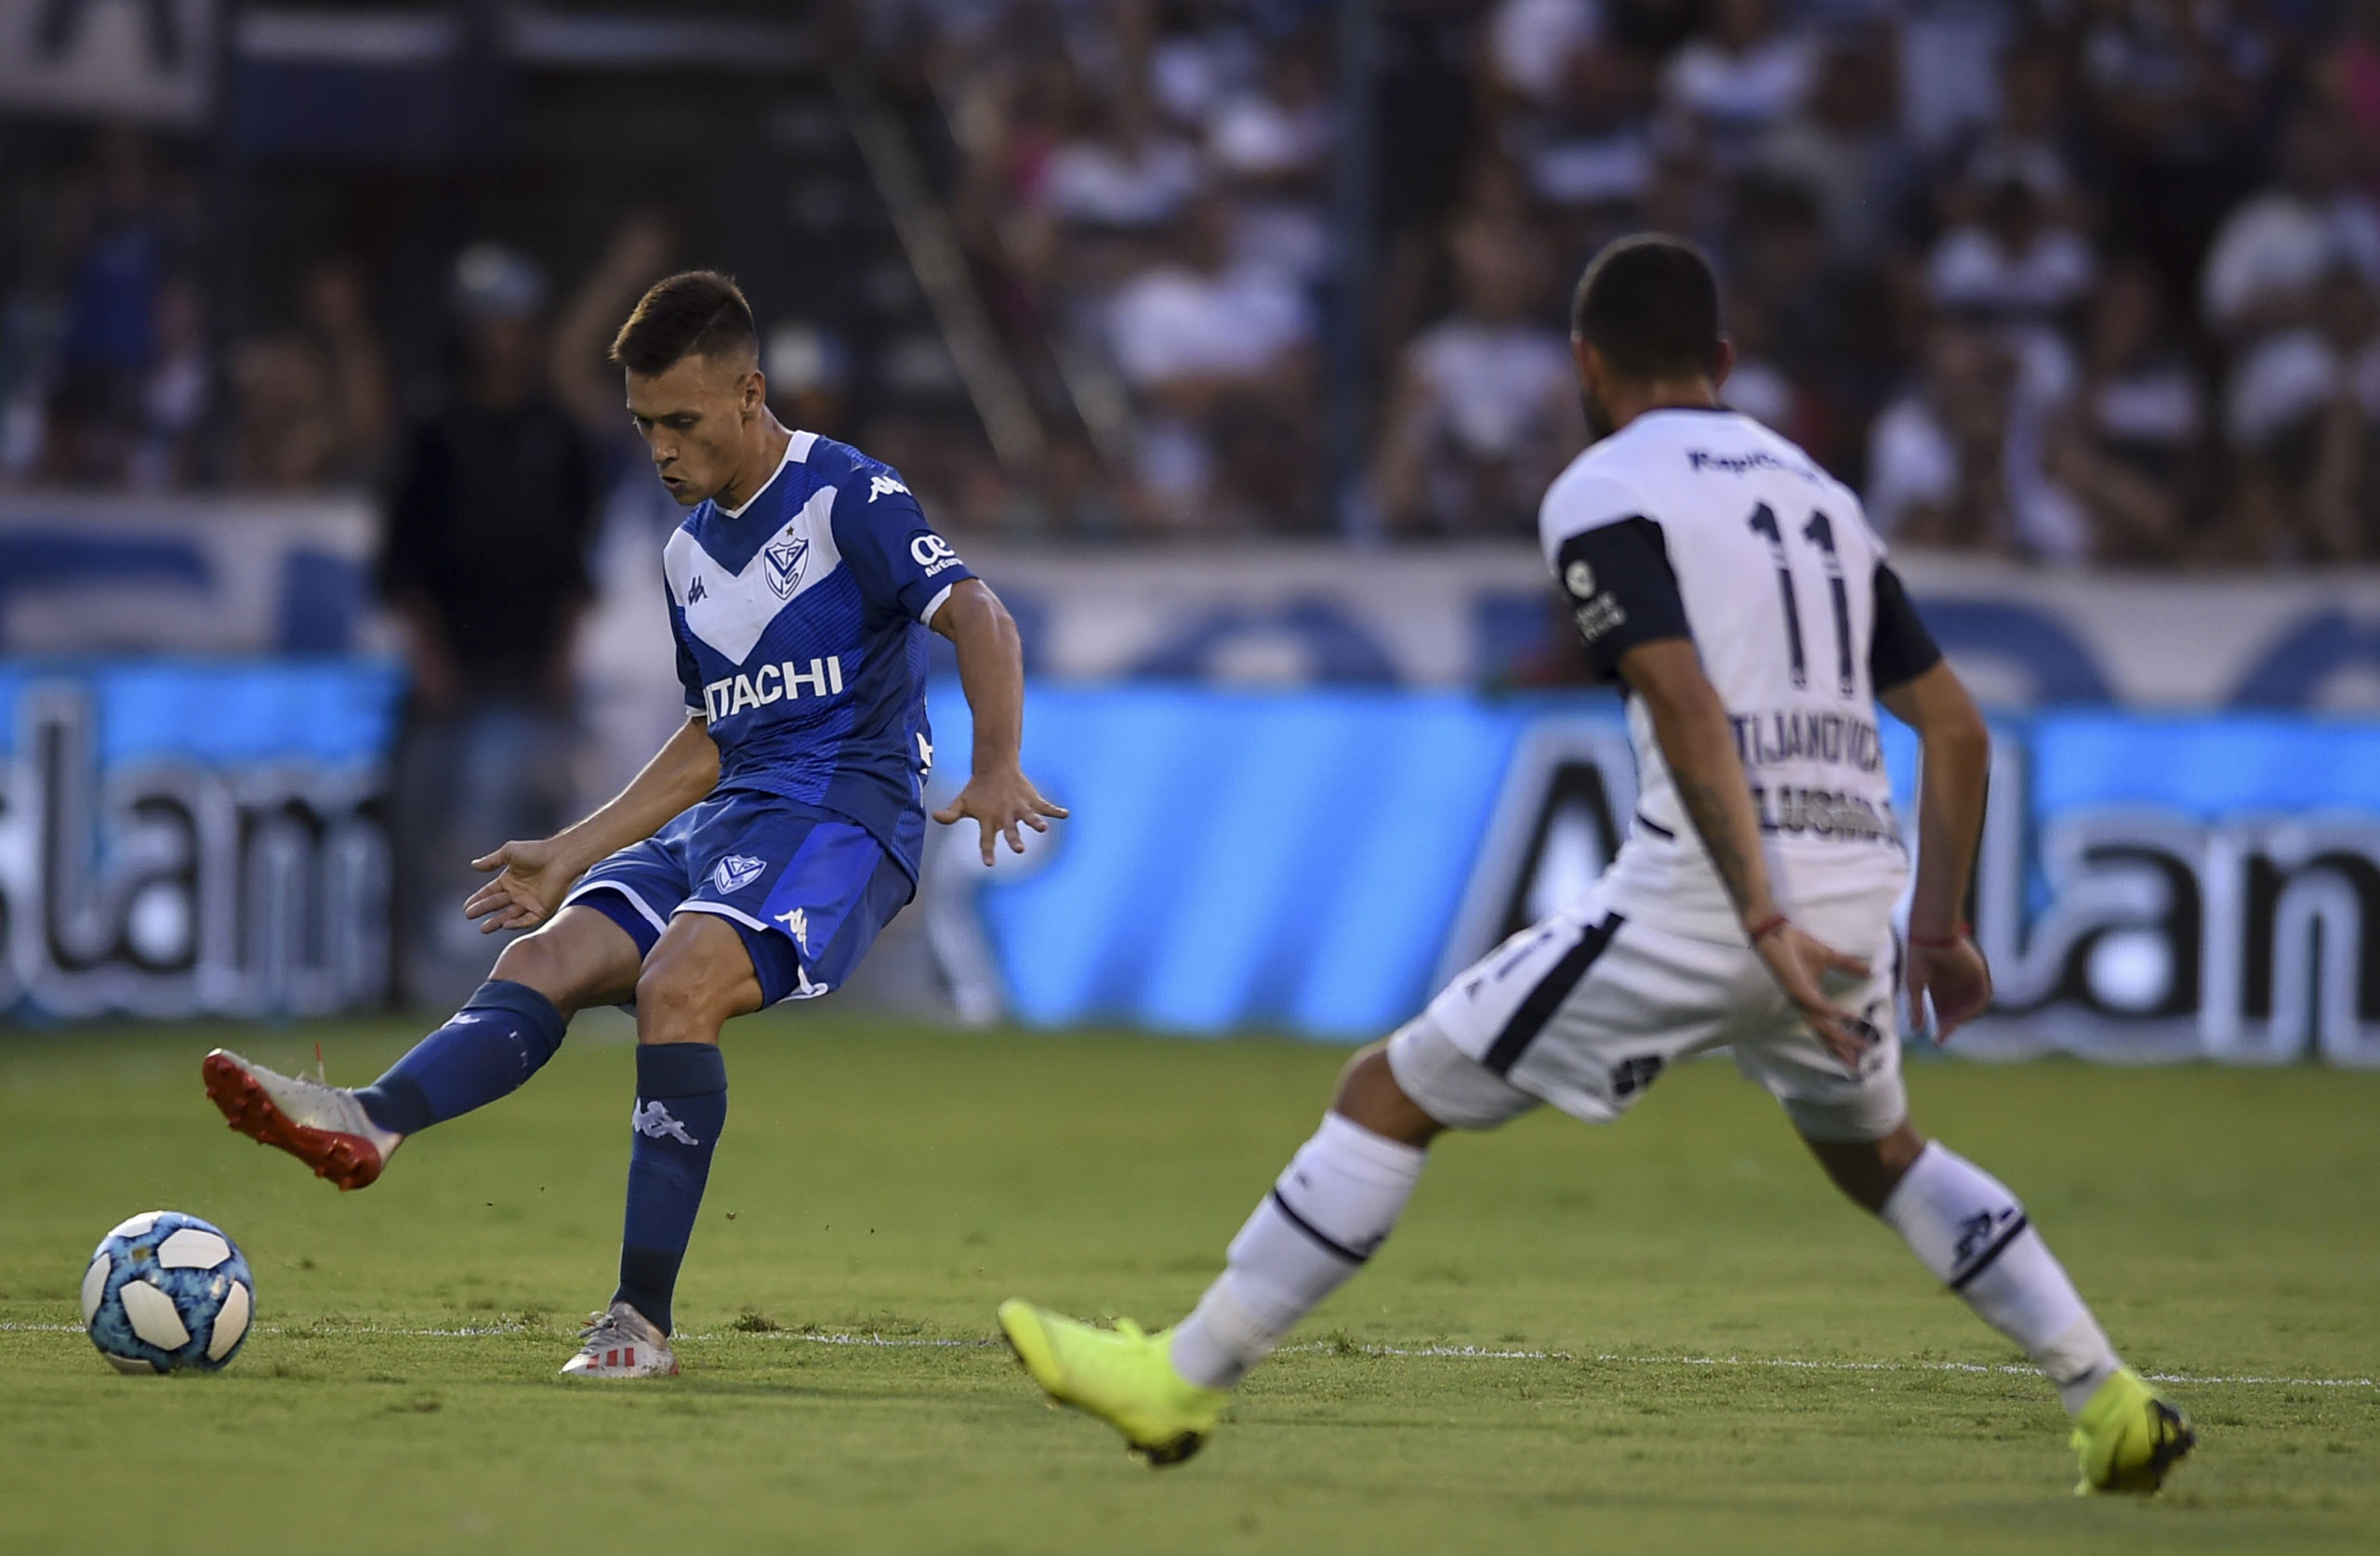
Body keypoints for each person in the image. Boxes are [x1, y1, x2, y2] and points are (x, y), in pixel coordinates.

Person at [996, 236, 2195, 1497]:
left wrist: (1757, 914)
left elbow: (1680, 698)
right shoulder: (1824, 500)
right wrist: (1940, 930)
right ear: (1723, 363)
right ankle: (2108, 1395)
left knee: (1386, 1094)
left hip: (1719, 899)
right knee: (1880, 1154)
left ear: (1585, 364)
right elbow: (1956, 727)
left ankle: (1178, 1381)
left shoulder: (1604, 485)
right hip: (1856, 891)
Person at [201, 270, 1065, 1378]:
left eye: (683, 422)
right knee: (547, 955)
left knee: (676, 985)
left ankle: (638, 1322)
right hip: (741, 809)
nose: (661, 449)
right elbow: (716, 730)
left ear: (751, 394)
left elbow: (979, 613)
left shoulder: (848, 494)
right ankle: (371, 1120)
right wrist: (573, 850)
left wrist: (996, 764)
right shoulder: (686, 554)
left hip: (846, 816)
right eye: (644, 425)